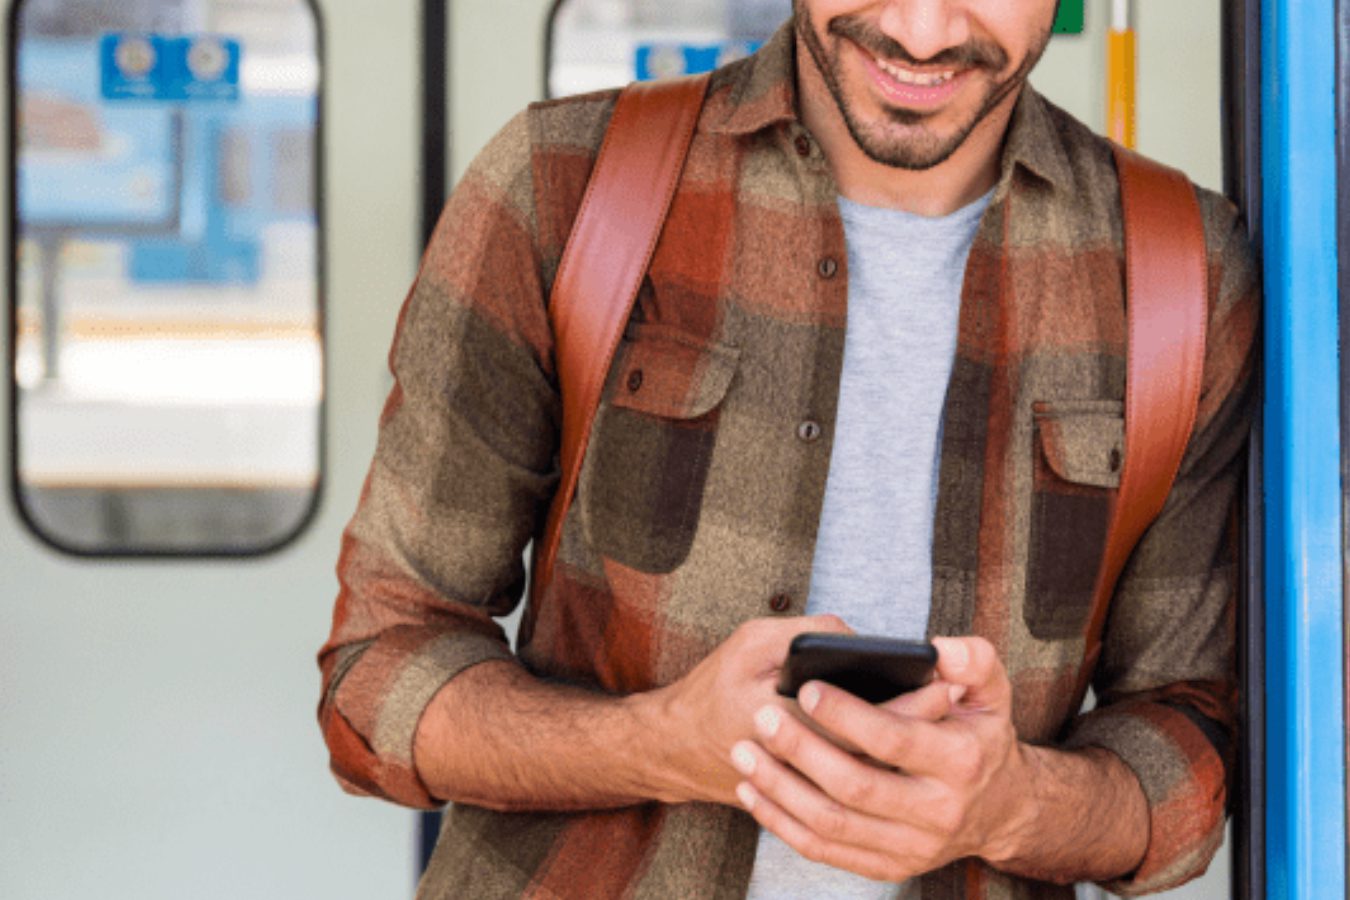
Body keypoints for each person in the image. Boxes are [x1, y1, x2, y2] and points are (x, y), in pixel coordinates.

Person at [317, 1, 1257, 897]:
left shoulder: (1183, 275)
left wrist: (1012, 806)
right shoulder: (563, 185)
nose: (921, 33)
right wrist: (655, 741)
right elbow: (380, 670)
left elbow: (1186, 743)